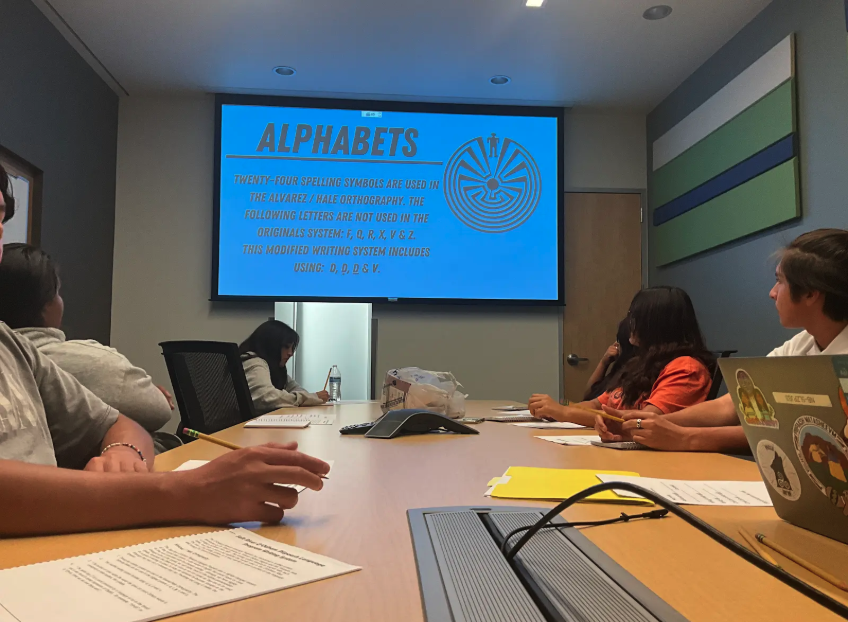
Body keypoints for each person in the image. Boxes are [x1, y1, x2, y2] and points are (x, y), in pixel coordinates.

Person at [0, 162, 329, 536]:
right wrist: (187, 492)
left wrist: (123, 451)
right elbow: (156, 408)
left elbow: (121, 424)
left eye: (0, 220)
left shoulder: (12, 345)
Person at [597, 229, 848, 451]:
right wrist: (642, 424)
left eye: (779, 281)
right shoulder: (802, 343)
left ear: (810, 293)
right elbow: (734, 405)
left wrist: (686, 438)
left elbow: (795, 434)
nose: (772, 293)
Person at [0, 243, 172, 433]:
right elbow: (159, 411)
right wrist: (151, 396)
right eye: (57, 293)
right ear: (47, 304)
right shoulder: (94, 362)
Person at [529, 286, 714, 427]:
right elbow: (596, 405)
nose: (629, 323)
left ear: (656, 324)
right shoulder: (639, 363)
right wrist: (555, 411)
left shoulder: (686, 369)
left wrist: (564, 413)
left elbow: (643, 423)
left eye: (634, 316)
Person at [240, 320, 330, 413]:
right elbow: (267, 397)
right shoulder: (254, 362)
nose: (290, 353)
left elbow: (297, 389)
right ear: (271, 345)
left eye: (292, 348)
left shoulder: (276, 368)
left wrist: (308, 397)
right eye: (286, 347)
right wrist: (311, 397)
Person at [583, 318, 636, 400]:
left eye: (618, 340)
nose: (615, 344)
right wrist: (603, 363)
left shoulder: (633, 375)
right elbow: (588, 394)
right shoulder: (620, 369)